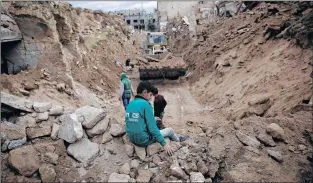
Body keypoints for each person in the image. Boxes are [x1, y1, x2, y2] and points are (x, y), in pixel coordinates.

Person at [125, 81, 189, 156]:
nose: (151, 97)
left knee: (154, 123)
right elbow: (152, 129)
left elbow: (131, 120)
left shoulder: (130, 104)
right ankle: (178, 140)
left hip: (132, 139)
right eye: (150, 94)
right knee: (170, 131)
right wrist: (164, 144)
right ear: (145, 92)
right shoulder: (146, 104)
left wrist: (152, 118)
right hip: (143, 140)